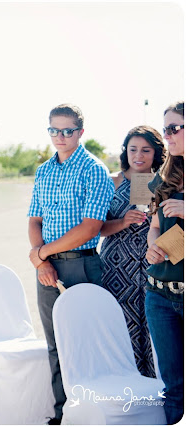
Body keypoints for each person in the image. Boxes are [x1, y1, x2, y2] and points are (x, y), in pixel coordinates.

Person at [28, 103, 114, 424]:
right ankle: (63, 415)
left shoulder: (94, 169)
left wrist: (41, 253)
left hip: (83, 266)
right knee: (56, 346)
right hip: (47, 268)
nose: (60, 136)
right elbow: (35, 219)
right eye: (54, 130)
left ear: (80, 132)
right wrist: (41, 261)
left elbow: (91, 227)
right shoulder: (44, 170)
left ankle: (90, 415)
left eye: (67, 130)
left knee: (85, 344)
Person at [100, 125, 166, 378]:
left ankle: (155, 390)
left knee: (154, 332)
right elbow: (97, 228)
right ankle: (122, 390)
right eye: (133, 149)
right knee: (120, 328)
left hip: (154, 268)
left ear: (156, 153)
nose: (138, 155)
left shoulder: (164, 182)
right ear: (125, 151)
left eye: (146, 150)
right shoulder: (112, 181)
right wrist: (123, 222)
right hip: (116, 271)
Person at [145, 101, 184, 424]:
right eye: (166, 128)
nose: (167, 135)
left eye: (174, 128)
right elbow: (154, 226)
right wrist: (152, 247)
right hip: (158, 295)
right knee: (173, 388)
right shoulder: (166, 176)